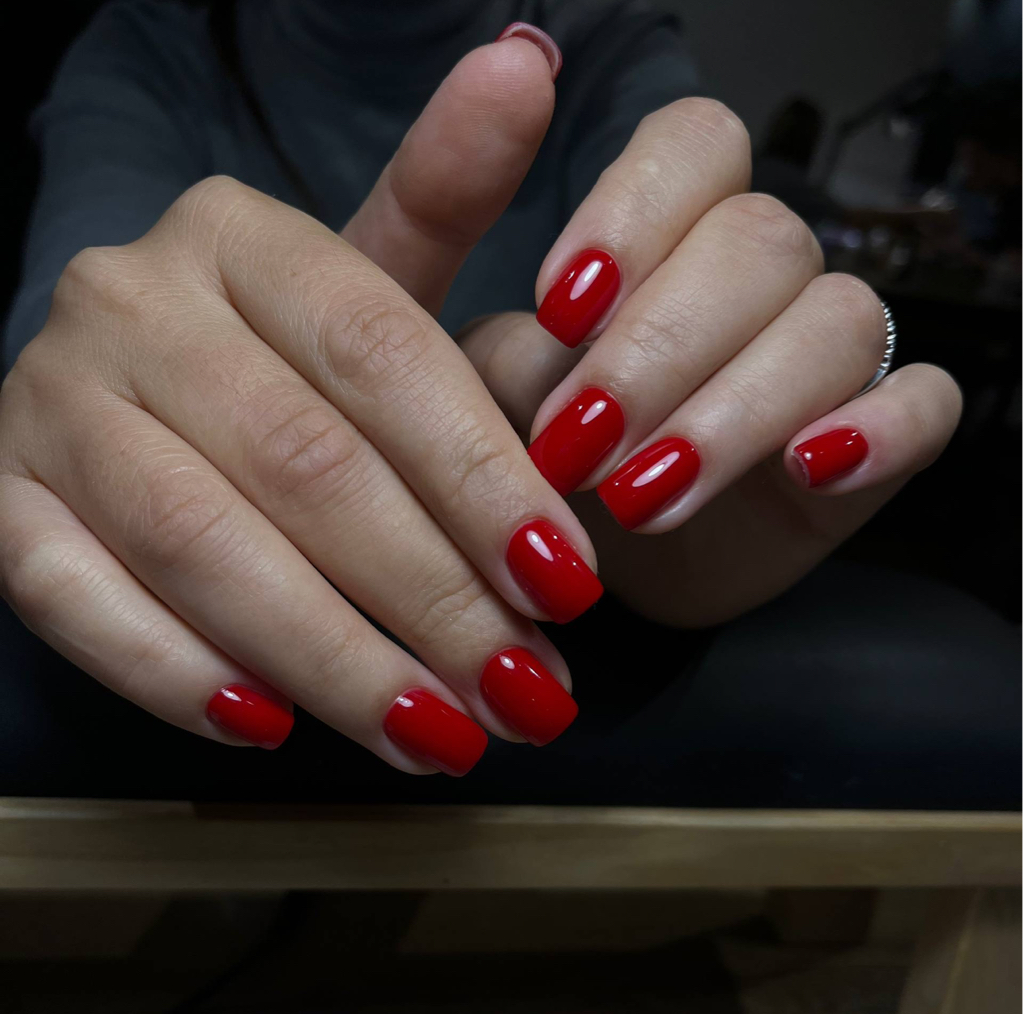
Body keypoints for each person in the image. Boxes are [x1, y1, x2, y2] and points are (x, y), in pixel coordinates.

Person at [0, 0, 1016, 806]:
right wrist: (89, 388)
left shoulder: (603, 37)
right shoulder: (153, 41)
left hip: (599, 572)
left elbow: (709, 232)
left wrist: (756, 352)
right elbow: (73, 335)